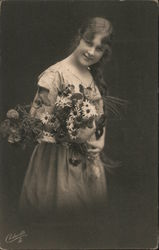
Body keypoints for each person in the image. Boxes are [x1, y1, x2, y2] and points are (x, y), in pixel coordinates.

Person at [19, 17, 114, 223]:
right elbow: (37, 121)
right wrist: (70, 132)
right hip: (57, 162)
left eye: (99, 49)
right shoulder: (55, 75)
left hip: (87, 160)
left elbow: (99, 113)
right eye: (89, 42)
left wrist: (99, 140)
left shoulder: (90, 73)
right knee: (59, 222)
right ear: (79, 37)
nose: (91, 51)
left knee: (87, 224)